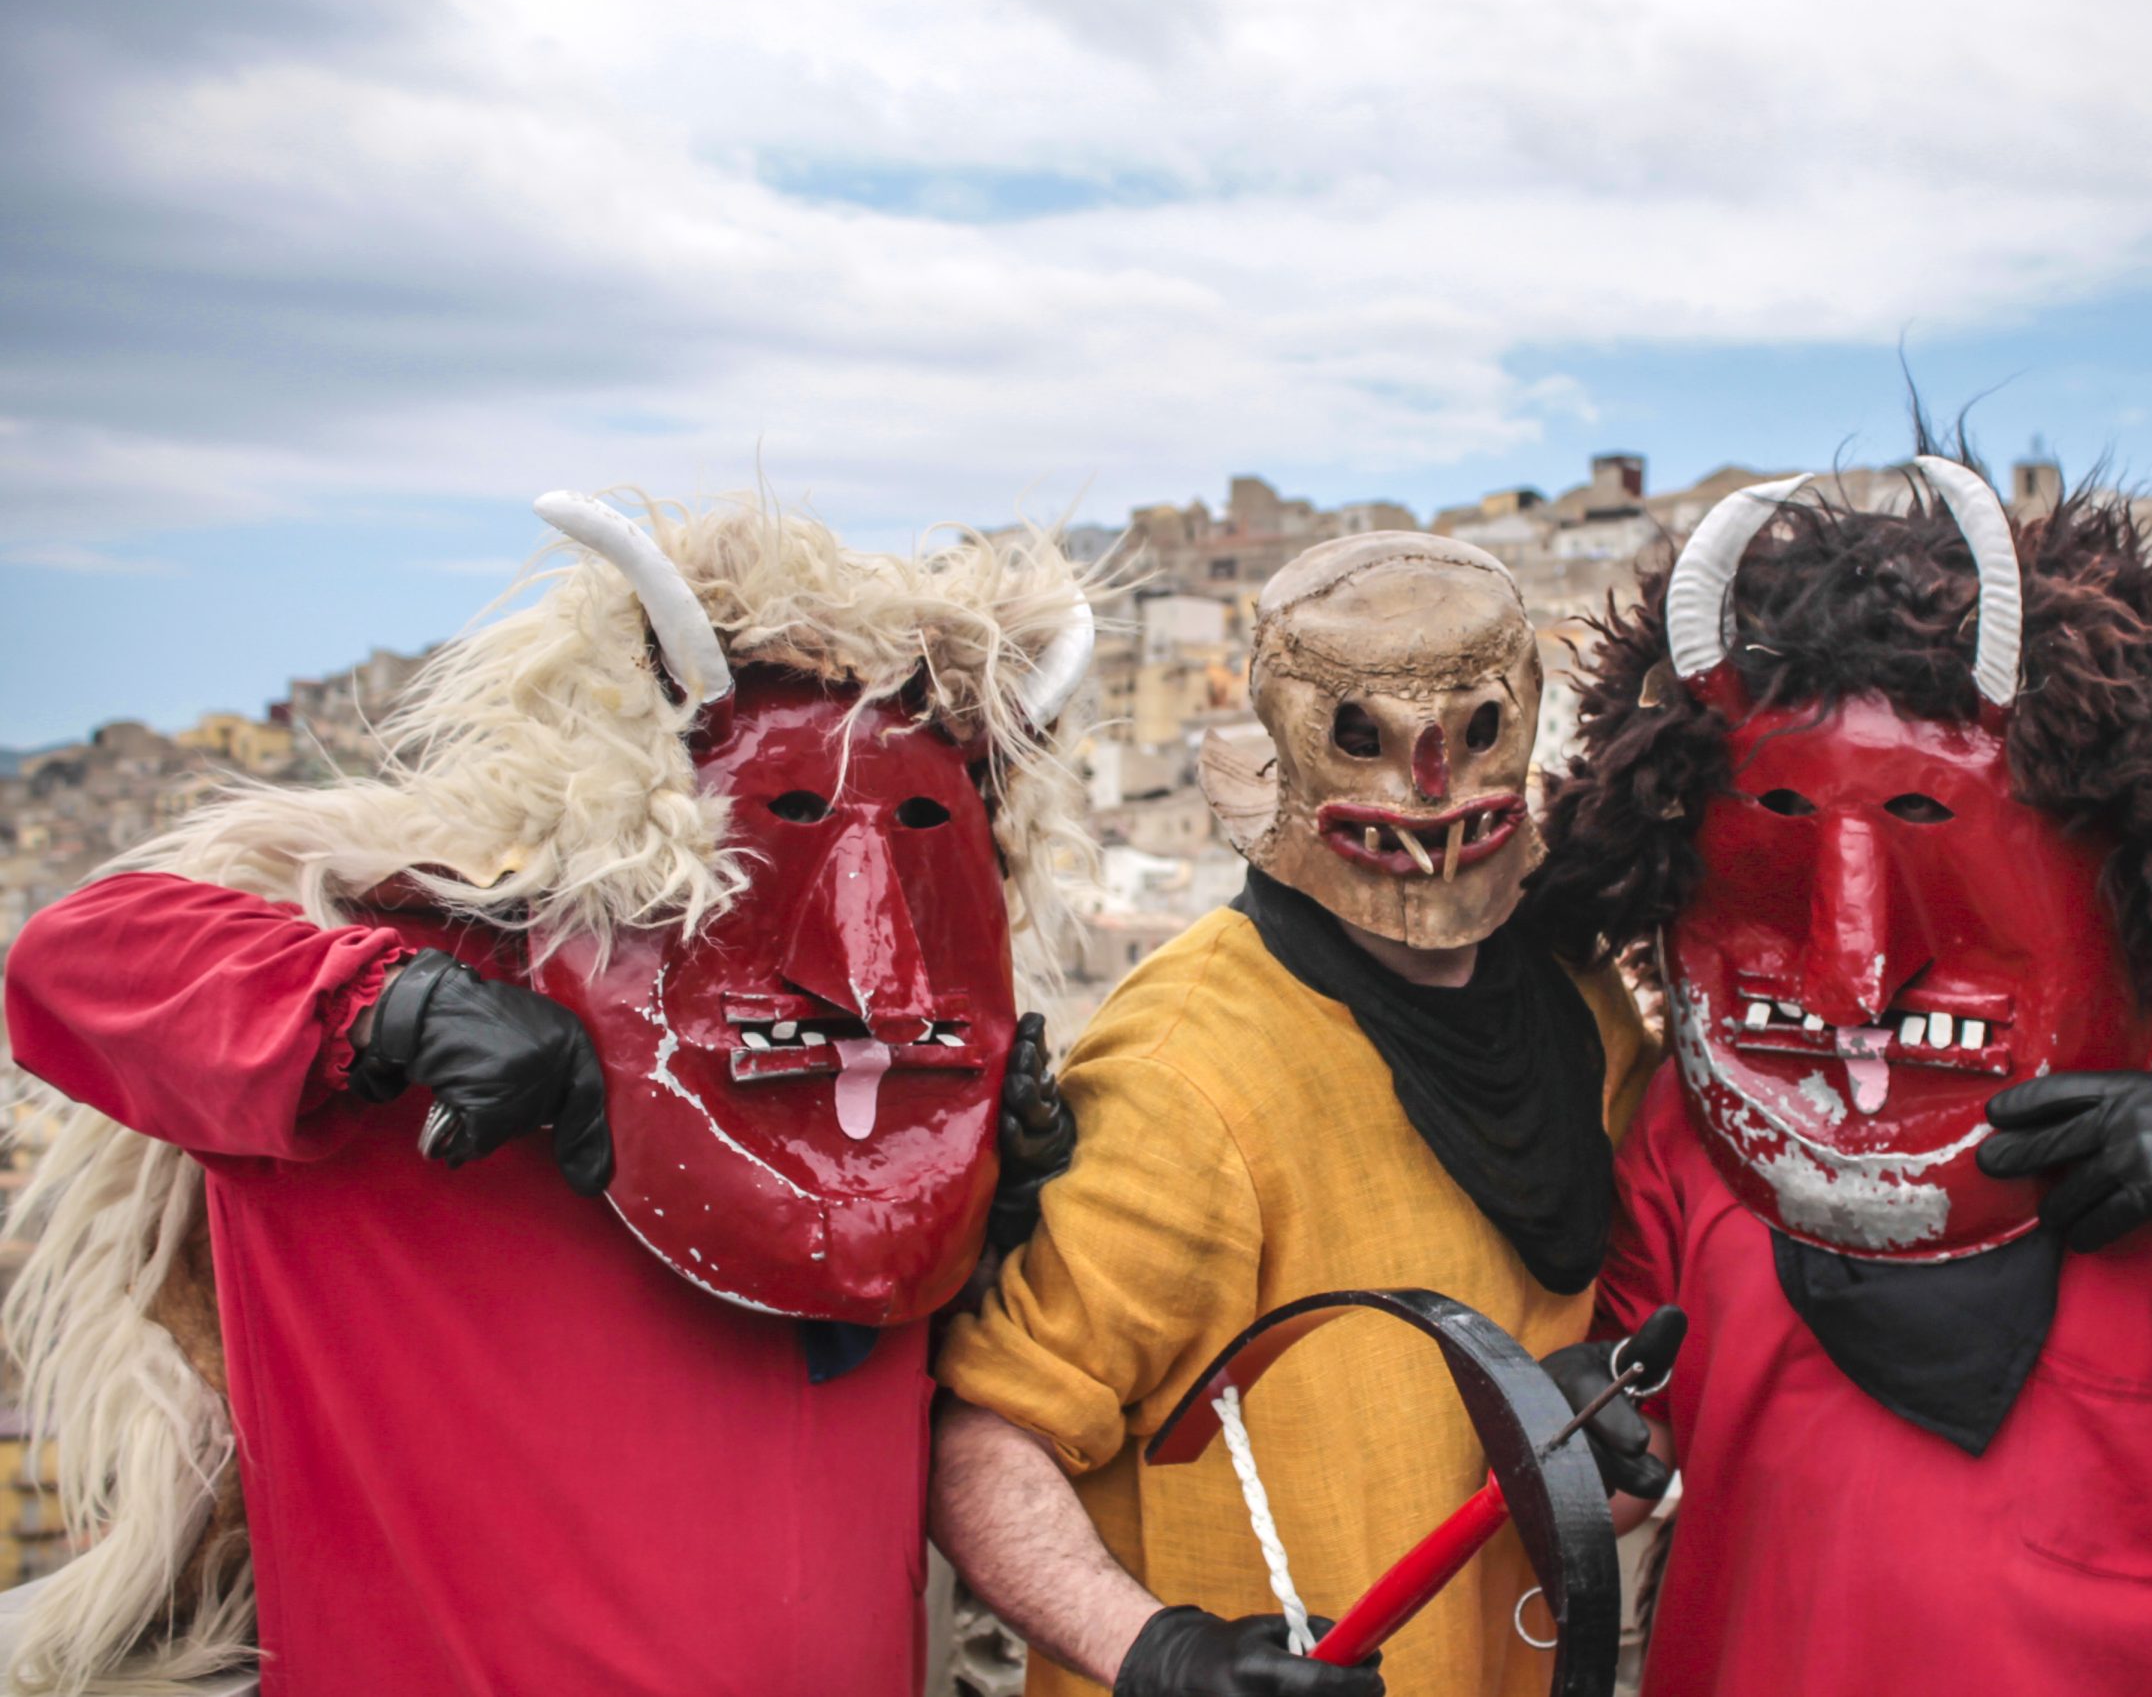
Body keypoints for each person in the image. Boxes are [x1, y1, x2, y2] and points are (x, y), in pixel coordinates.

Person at [0, 491, 1095, 1696]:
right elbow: (74, 958)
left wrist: (981, 1212)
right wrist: (390, 1007)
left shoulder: (894, 1092)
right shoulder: (441, 976)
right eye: (790, 814)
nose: (860, 953)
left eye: (923, 836)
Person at [1532, 451, 2152, 1696]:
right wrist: (1576, 1434)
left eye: (1924, 825)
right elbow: (1622, 1473)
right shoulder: (1706, 1115)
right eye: (1785, 830)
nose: (1854, 970)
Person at [930, 532, 1665, 1697]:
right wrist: (1160, 1654)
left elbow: (1614, 1369)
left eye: (1470, 733)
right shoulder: (1189, 1070)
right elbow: (987, 1435)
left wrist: (1601, 1408)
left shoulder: (1579, 1002)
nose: (1427, 787)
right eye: (1368, 738)